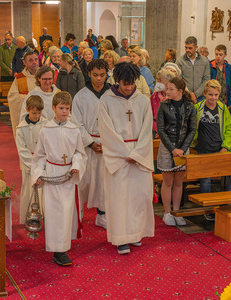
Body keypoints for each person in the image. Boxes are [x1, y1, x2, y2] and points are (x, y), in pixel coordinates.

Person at [98, 62, 155, 254]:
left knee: (139, 197)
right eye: (125, 83)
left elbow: (147, 129)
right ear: (117, 81)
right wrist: (125, 153)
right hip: (119, 156)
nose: (128, 87)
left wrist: (138, 154)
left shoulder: (142, 100)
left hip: (139, 155)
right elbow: (106, 131)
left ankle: (136, 234)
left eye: (131, 83)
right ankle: (121, 238)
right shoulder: (107, 100)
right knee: (119, 199)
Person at [32, 91, 87, 266]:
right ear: (54, 108)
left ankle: (62, 247)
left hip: (68, 175)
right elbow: (40, 155)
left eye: (67, 108)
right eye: (61, 108)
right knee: (54, 212)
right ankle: (58, 250)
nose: (64, 112)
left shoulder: (74, 129)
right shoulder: (46, 130)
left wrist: (75, 166)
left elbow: (79, 152)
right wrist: (38, 174)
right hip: (52, 174)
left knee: (66, 211)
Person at [72, 59, 110, 227]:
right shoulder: (81, 96)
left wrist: (109, 142)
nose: (99, 79)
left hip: (107, 144)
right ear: (89, 74)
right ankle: (77, 214)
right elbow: (76, 123)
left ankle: (102, 214)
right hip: (87, 145)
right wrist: (90, 142)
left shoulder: (112, 95)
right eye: (95, 75)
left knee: (104, 182)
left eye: (102, 75)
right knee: (83, 180)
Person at [156, 77, 196, 226]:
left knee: (179, 182)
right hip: (168, 148)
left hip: (183, 148)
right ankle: (167, 212)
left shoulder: (190, 106)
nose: (167, 91)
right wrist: (173, 149)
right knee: (167, 182)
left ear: (180, 91)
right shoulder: (164, 106)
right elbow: (161, 129)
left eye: (171, 89)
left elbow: (192, 129)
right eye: (167, 88)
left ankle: (176, 212)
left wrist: (183, 149)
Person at [191, 80, 231, 194]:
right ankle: (207, 211)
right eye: (210, 94)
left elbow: (229, 129)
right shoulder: (197, 108)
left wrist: (226, 147)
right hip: (204, 149)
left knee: (227, 174)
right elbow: (192, 127)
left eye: (216, 95)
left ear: (219, 94)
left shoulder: (223, 109)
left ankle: (227, 203)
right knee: (205, 180)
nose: (213, 98)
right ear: (204, 93)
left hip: (220, 148)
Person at [16, 95, 48, 224]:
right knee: (30, 190)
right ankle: (30, 217)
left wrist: (43, 163)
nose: (36, 116)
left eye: (39, 113)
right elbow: (22, 150)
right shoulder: (21, 128)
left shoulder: (46, 124)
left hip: (44, 162)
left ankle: (44, 216)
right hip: (29, 164)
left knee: (44, 192)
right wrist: (34, 166)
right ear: (27, 109)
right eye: (34, 113)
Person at [8, 51, 39, 138]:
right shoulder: (20, 78)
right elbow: (12, 97)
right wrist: (31, 100)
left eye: (36, 59)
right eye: (30, 60)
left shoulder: (44, 75)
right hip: (27, 116)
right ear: (24, 63)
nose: (34, 62)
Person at [176, 36, 210, 103]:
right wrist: (189, 94)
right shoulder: (180, 61)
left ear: (196, 47)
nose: (187, 50)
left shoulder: (204, 61)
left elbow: (206, 79)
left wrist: (196, 94)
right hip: (185, 97)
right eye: (186, 47)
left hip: (200, 97)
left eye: (190, 48)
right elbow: (179, 80)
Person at [150, 68, 175, 138]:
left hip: (170, 131)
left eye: (160, 80)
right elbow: (150, 114)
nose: (157, 82)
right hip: (154, 130)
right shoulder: (153, 96)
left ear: (168, 82)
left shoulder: (174, 97)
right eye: (157, 79)